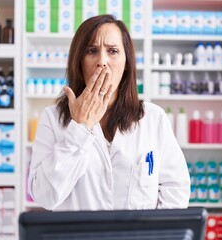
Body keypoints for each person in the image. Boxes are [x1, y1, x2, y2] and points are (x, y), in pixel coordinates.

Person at [29, 14, 190, 211]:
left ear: (126, 63)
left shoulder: (153, 118)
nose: (102, 61)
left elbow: (176, 191)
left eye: (112, 51)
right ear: (78, 60)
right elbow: (45, 196)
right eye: (92, 51)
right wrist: (79, 128)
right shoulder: (53, 118)